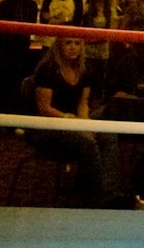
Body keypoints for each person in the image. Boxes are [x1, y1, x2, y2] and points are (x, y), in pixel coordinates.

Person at [32, 35, 113, 202]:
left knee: (107, 133)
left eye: (77, 43)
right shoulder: (47, 69)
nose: (73, 47)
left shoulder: (85, 69)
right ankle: (99, 195)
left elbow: (83, 103)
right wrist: (70, 120)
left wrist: (83, 122)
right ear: (59, 45)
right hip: (49, 125)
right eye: (68, 42)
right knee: (88, 141)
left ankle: (103, 189)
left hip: (73, 120)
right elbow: (44, 109)